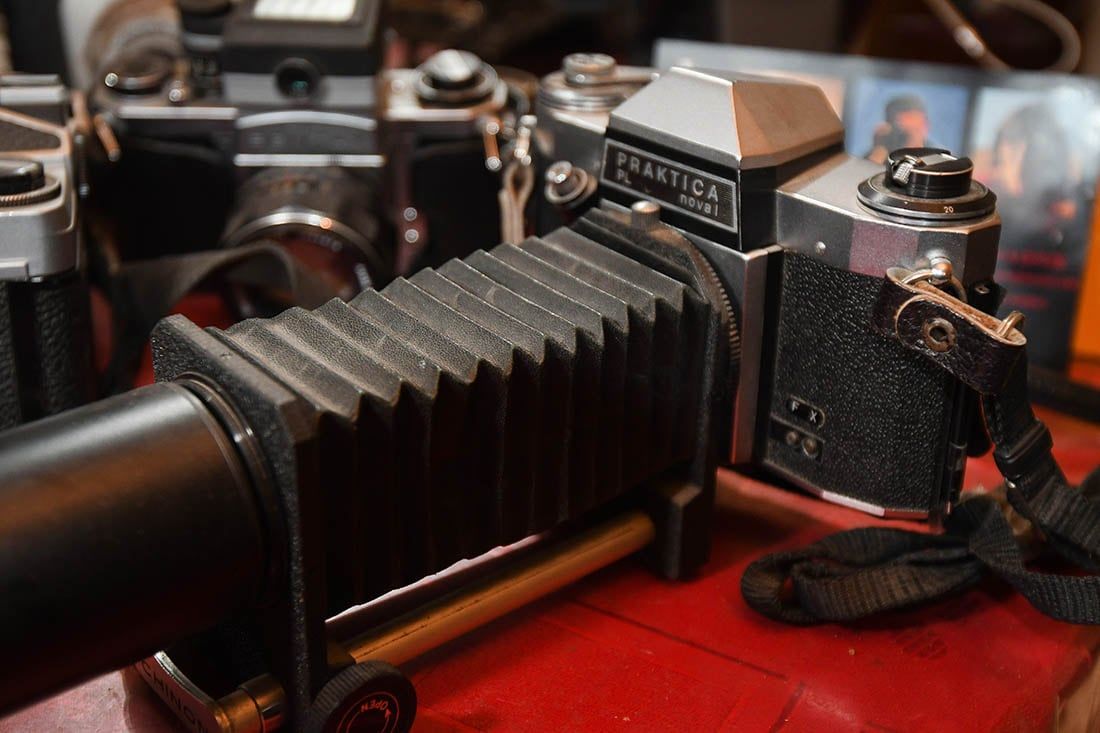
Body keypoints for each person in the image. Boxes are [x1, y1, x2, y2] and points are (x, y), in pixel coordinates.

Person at [864, 94, 939, 164]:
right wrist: (879, 149)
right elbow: (866, 175)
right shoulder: (881, 153)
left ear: (925, 125)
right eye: (898, 127)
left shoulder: (938, 159)